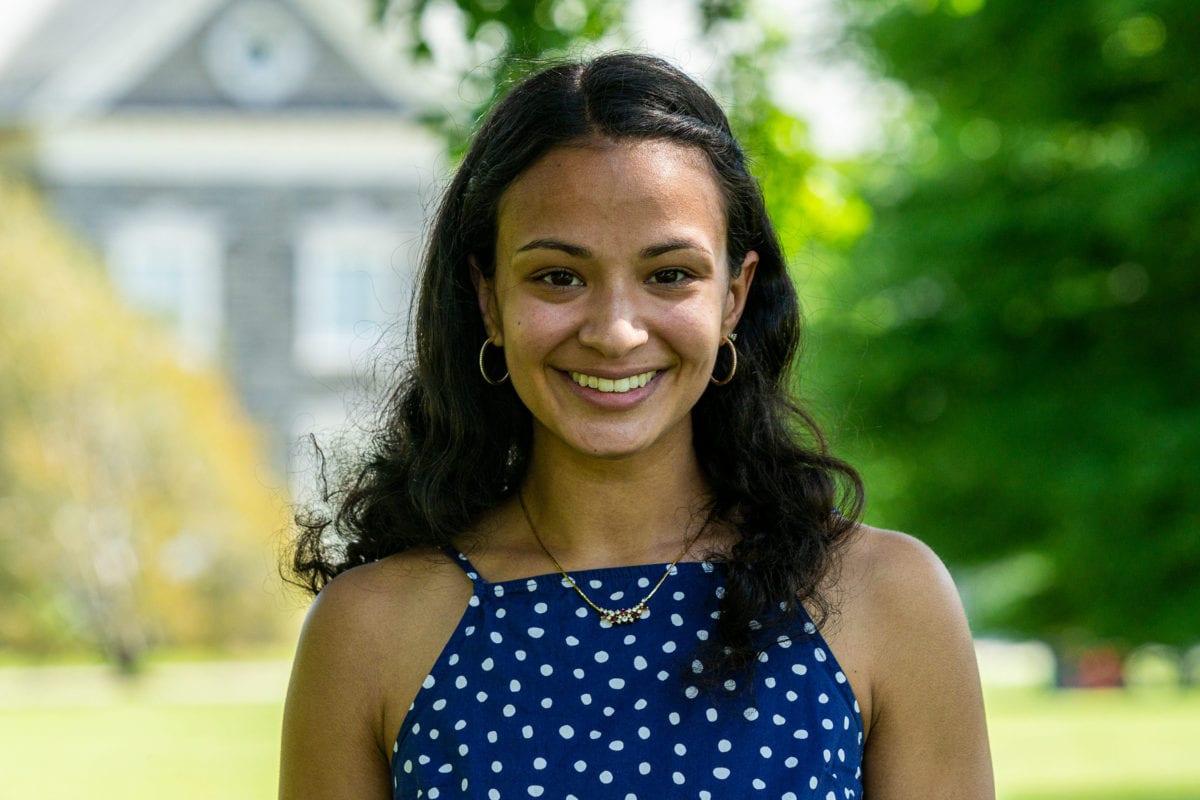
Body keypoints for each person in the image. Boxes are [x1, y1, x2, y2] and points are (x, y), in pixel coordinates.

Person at [279, 53, 994, 799]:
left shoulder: (885, 597)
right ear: (488, 299)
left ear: (734, 296)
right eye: (558, 276)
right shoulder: (369, 630)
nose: (616, 333)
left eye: (669, 275)